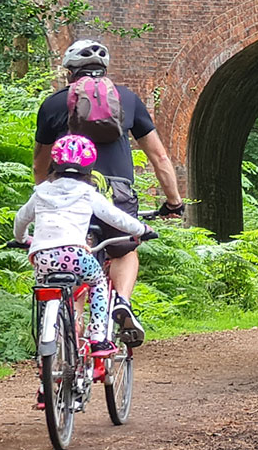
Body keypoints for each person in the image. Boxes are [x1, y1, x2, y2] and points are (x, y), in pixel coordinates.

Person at [33, 39, 184, 347]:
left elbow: (39, 164)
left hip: (69, 194)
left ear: (69, 72)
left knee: (75, 258)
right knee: (125, 250)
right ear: (104, 68)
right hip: (117, 192)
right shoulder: (127, 99)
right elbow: (159, 157)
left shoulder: (53, 104)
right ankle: (122, 302)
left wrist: (44, 197)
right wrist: (173, 202)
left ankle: (69, 339)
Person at [14, 135, 152, 408]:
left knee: (47, 298)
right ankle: (99, 337)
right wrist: (141, 229)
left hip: (42, 258)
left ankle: (46, 375)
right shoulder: (87, 192)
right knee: (98, 282)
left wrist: (23, 238)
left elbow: (21, 219)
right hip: (76, 255)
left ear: (54, 164)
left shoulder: (41, 191)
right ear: (89, 167)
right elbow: (116, 218)